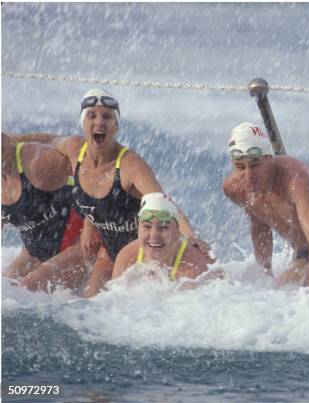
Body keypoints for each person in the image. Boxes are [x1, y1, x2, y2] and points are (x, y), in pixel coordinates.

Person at [11, 88, 212, 297]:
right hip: (106, 252)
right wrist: (8, 140)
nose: (99, 122)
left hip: (142, 251)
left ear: (116, 126)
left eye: (107, 116)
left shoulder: (129, 165)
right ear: (83, 123)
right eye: (92, 115)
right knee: (87, 307)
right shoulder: (73, 149)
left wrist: (190, 234)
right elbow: (47, 140)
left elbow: (162, 202)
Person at [223, 122, 309, 291]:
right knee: (278, 291)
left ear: (269, 159)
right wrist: (264, 274)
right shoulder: (235, 189)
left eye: (255, 165)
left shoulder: (295, 178)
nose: (248, 175)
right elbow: (260, 227)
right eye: (240, 167)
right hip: (305, 254)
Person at [1, 133, 85, 292]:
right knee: (4, 291)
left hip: (78, 245)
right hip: (35, 253)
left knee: (24, 290)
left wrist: (92, 231)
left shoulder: (37, 162)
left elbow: (91, 169)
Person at [112, 192, 218, 284]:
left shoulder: (192, 265)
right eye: (147, 226)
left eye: (163, 228)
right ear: (138, 228)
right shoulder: (127, 257)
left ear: (177, 232)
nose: (154, 235)